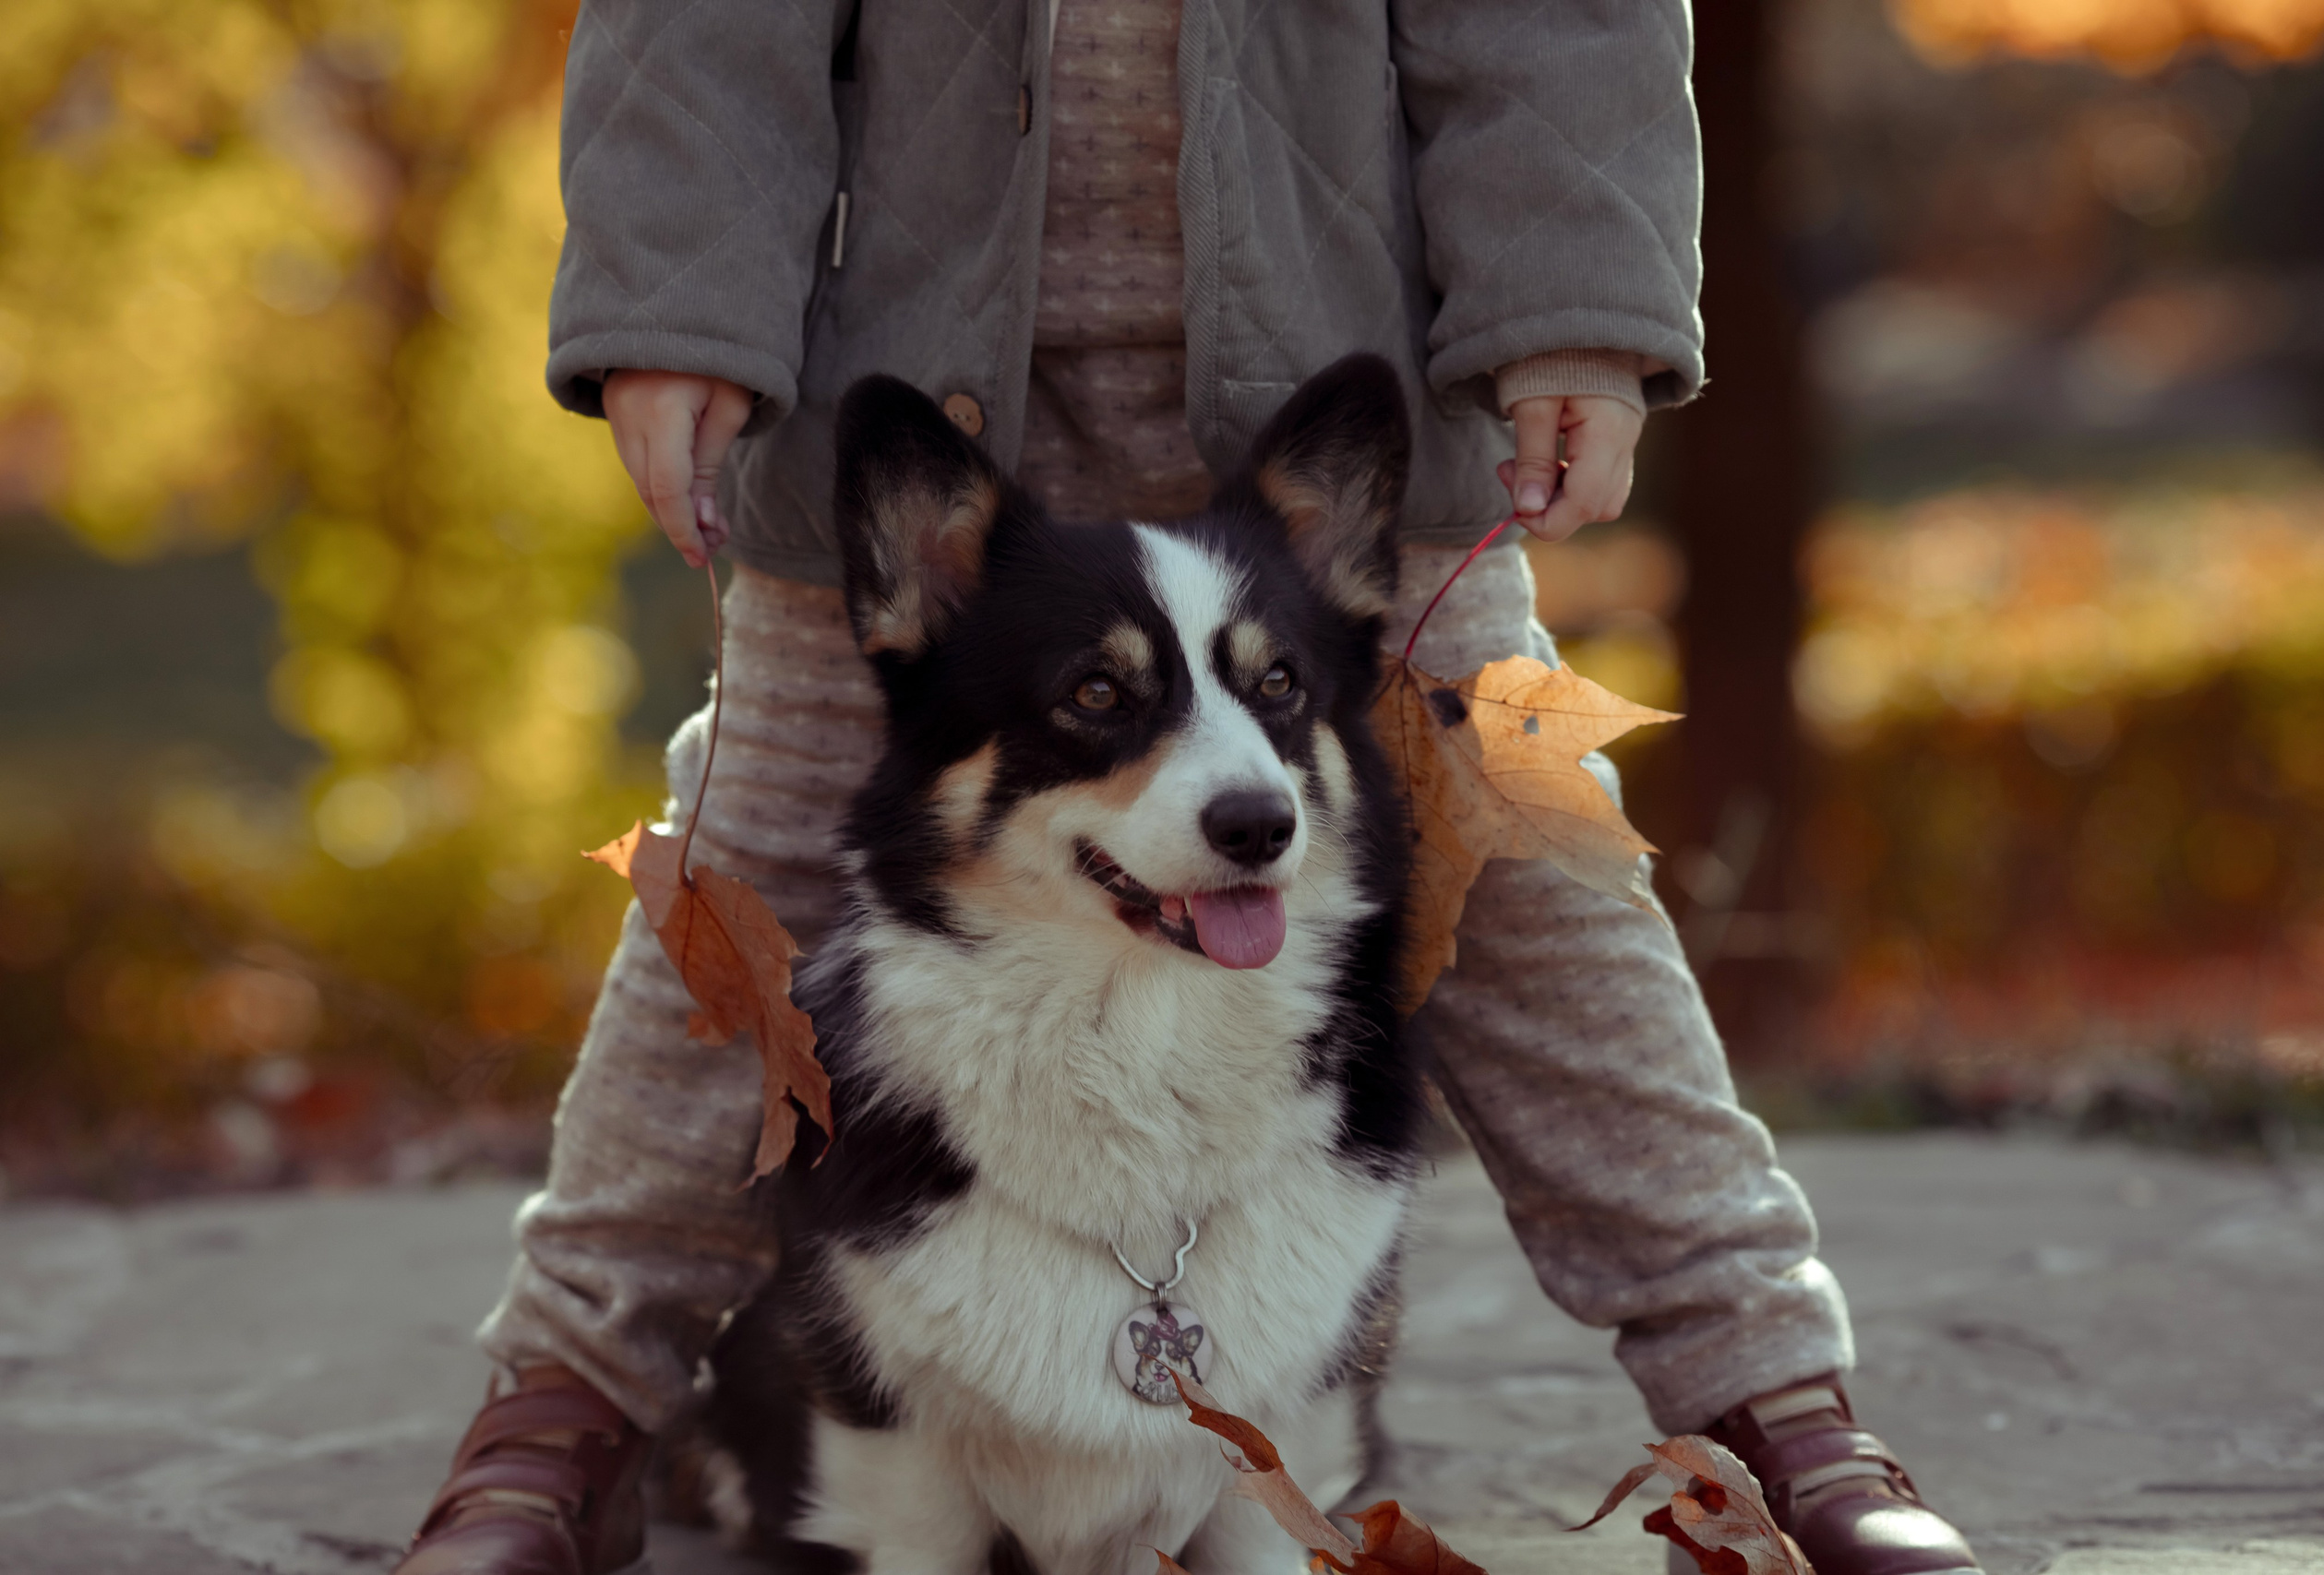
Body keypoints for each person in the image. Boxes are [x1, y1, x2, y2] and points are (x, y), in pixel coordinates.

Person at [392, 5, 1982, 1574]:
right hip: (911, 375)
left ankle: (1773, 1399)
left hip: (1344, 374)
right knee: (739, 876)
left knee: (1536, 908)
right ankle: (568, 1410)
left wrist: (1569, 301)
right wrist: (681, 298)